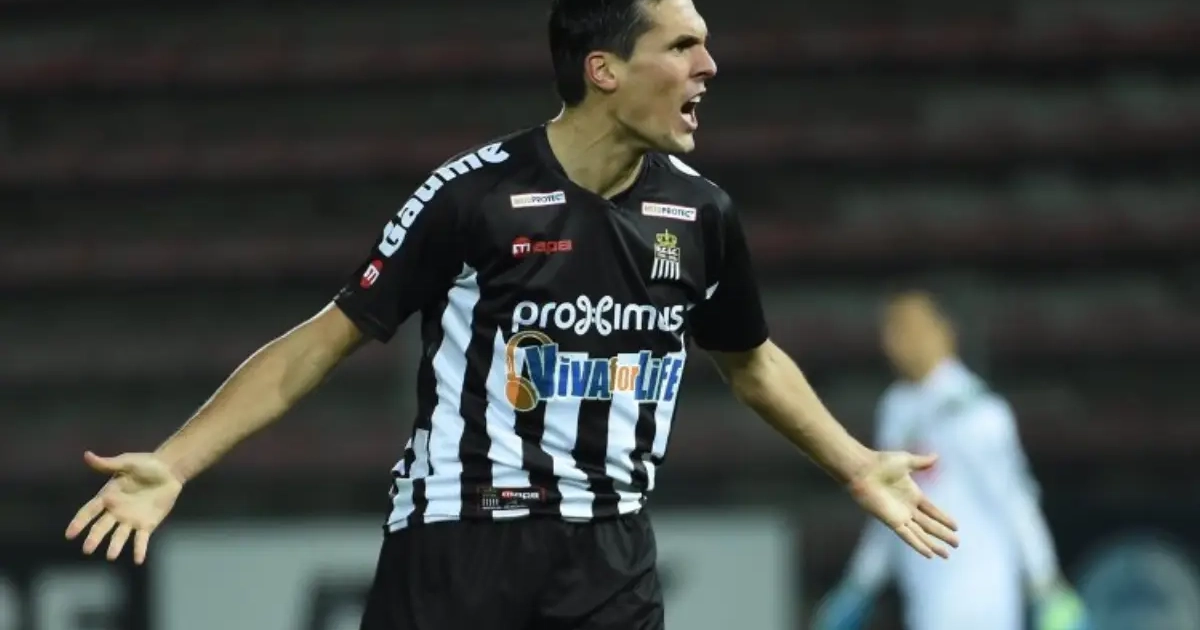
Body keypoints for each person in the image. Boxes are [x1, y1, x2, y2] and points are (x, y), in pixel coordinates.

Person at [64, 1, 960, 628]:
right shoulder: (473, 197)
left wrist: (854, 464)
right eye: (683, 45)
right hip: (461, 536)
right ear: (605, 69)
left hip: (612, 552)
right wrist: (175, 463)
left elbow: (750, 360)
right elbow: (323, 341)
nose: (709, 66)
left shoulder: (701, 213)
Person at [811, 291, 1089, 630]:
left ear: (944, 330)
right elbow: (888, 505)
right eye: (892, 331)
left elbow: (1015, 502)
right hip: (926, 595)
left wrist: (1046, 583)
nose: (899, 342)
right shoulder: (896, 408)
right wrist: (859, 584)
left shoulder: (979, 411)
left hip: (983, 594)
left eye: (911, 327)